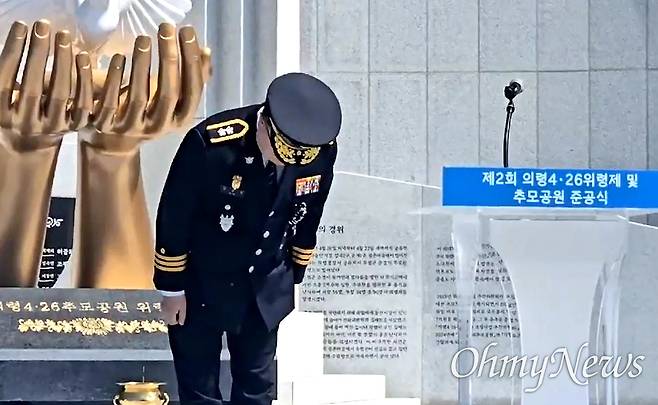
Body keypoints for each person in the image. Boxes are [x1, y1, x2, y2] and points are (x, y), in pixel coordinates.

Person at [153, 72, 341, 405]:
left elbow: (311, 210)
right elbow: (174, 216)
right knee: (200, 390)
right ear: (265, 125)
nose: (290, 161)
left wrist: (294, 271)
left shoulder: (320, 149)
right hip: (203, 283)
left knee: (257, 388)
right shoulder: (212, 144)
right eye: (283, 151)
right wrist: (172, 289)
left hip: (264, 285)